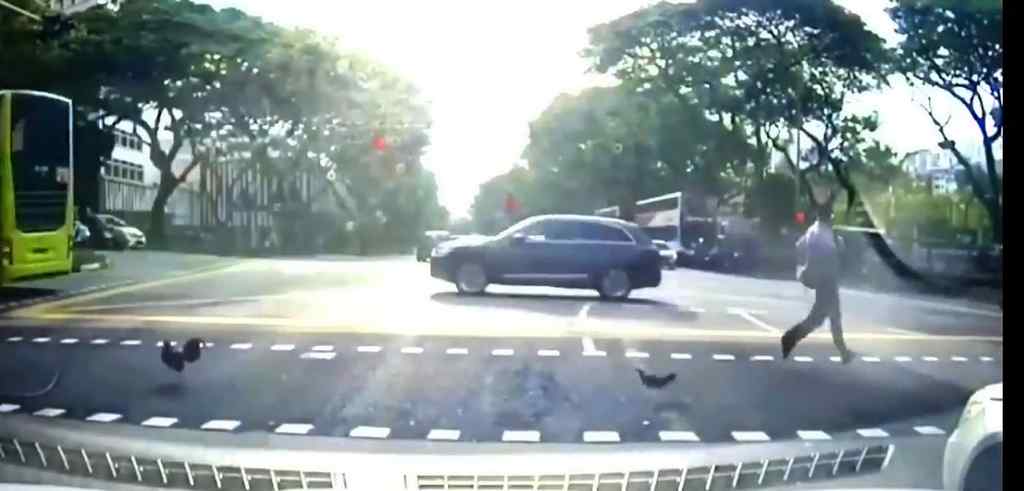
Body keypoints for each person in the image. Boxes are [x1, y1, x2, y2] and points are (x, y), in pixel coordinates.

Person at [781, 199, 854, 364]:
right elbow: (839, 250)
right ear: (829, 216)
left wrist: (805, 266)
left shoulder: (813, 230)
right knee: (830, 316)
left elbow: (798, 246)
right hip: (828, 279)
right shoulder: (828, 233)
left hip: (819, 278)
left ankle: (843, 352)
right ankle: (842, 352)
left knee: (820, 317)